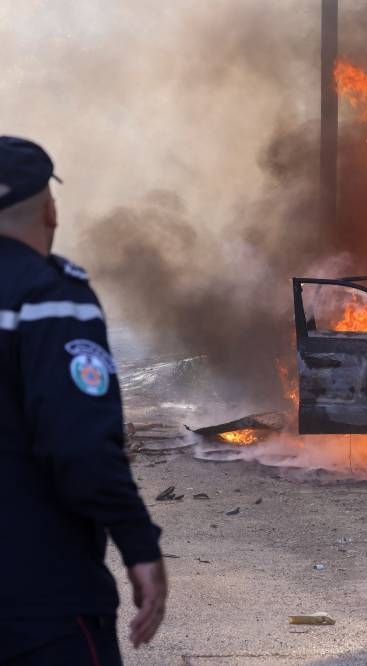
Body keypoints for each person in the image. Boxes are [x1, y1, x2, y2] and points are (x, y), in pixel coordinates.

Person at [0, 136, 167, 664]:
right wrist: (138, 545)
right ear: (49, 209)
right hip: (39, 596)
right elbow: (79, 447)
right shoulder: (49, 298)